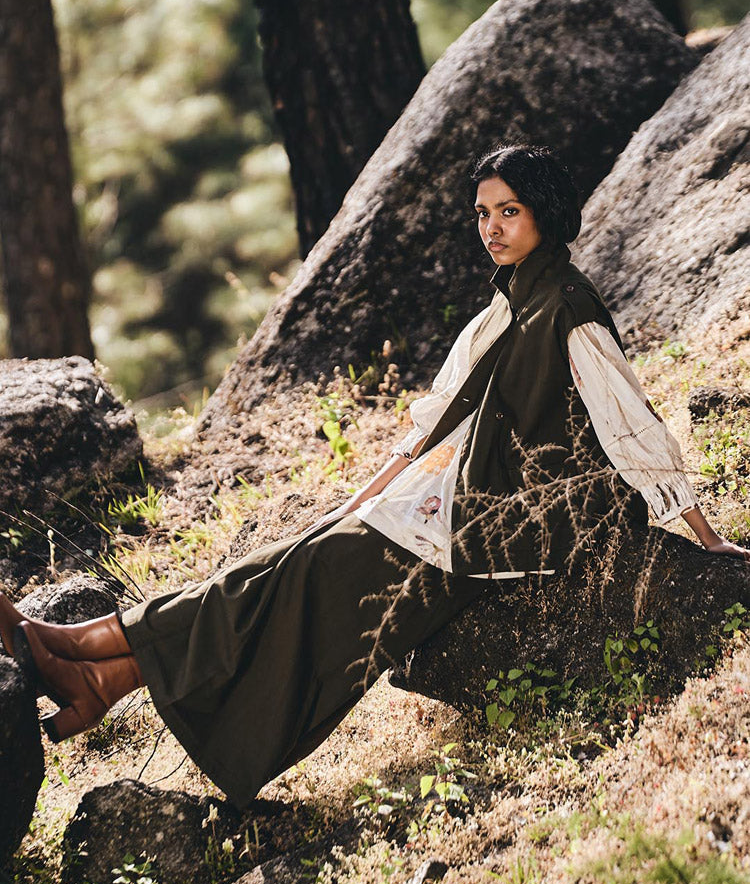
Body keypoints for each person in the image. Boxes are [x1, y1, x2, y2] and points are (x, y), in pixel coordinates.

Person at [2, 143, 746, 812]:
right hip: (459, 499)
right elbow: (435, 421)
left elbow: (633, 427)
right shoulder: (508, 302)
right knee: (290, 562)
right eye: (482, 213)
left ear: (545, 214)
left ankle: (91, 650)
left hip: (512, 522)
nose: (491, 227)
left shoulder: (568, 309)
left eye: (508, 211)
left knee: (299, 575)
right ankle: (101, 674)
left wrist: (705, 536)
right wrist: (363, 497)